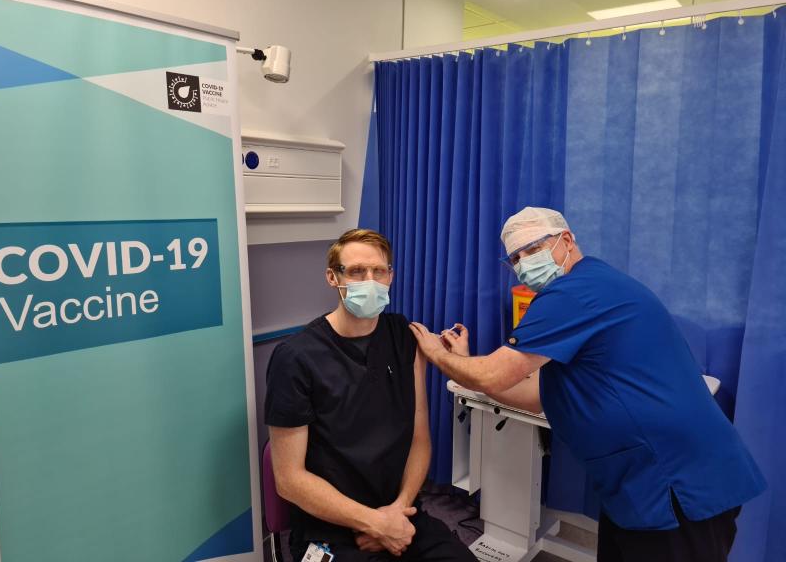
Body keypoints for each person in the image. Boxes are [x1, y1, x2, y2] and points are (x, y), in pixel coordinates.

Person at [409, 207, 766, 562]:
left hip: (674, 484)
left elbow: (494, 375)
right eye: (515, 258)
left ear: (566, 240)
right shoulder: (592, 286)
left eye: (532, 249)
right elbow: (532, 396)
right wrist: (465, 362)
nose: (523, 264)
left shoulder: (574, 292)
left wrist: (436, 354)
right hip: (636, 485)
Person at [265, 229, 477, 562]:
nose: (370, 280)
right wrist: (374, 523)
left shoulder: (401, 337)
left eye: (379, 271)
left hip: (402, 513)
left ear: (391, 276)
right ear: (333, 278)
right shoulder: (295, 358)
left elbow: (420, 438)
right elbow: (289, 481)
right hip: (331, 529)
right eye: (356, 271)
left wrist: (398, 512)